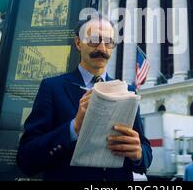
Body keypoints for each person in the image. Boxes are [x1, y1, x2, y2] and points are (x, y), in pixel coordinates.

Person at [17, 13, 152, 181]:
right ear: (78, 43)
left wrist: (138, 153)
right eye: (94, 40)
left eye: (109, 42)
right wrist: (73, 129)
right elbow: (25, 160)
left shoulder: (128, 91)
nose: (102, 49)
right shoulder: (52, 88)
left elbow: (146, 154)